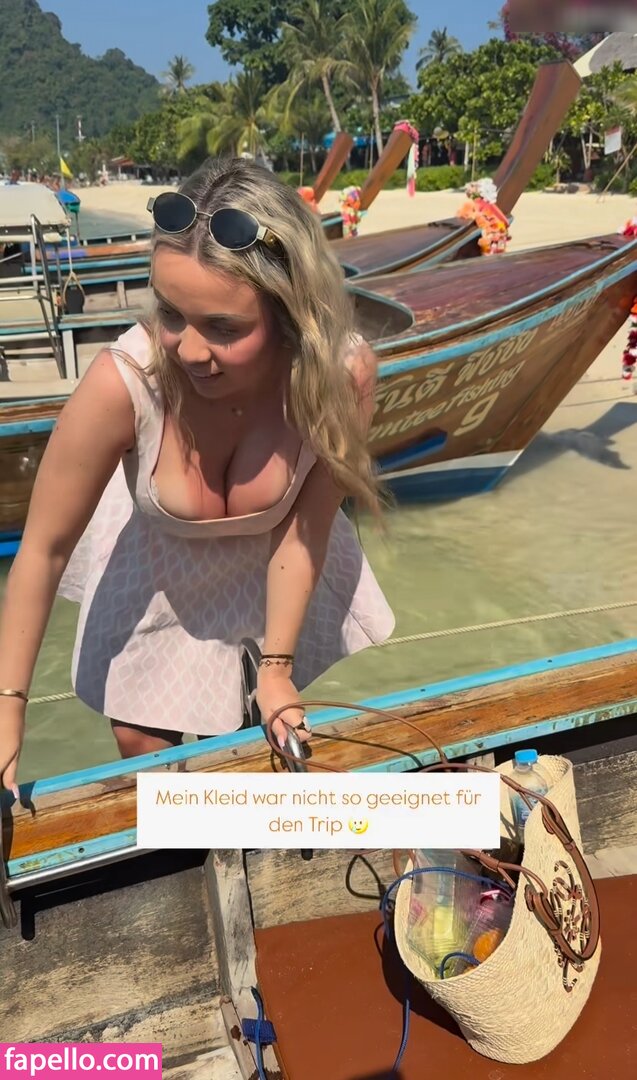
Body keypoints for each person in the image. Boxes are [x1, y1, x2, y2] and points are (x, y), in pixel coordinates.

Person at [0, 157, 395, 794]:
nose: (187, 350)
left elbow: (305, 532)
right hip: (154, 572)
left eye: (223, 328)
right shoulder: (124, 383)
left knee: (255, 753)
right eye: (170, 313)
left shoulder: (339, 378)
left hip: (275, 573)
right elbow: (43, 551)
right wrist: (8, 706)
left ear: (290, 314)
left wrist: (276, 668)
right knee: (148, 758)